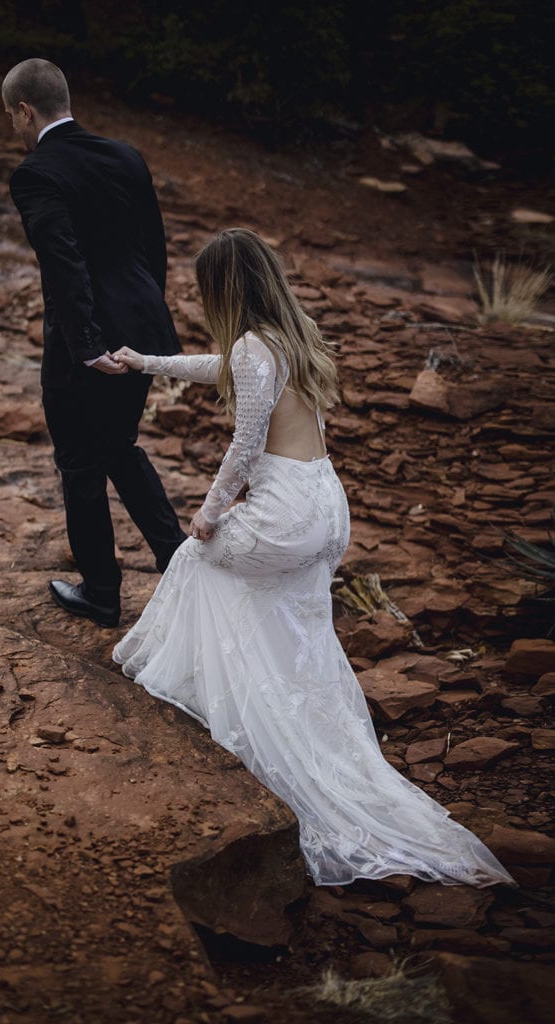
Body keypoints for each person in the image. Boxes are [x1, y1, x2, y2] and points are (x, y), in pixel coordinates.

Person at [111, 228, 514, 888]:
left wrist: (210, 513)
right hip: (325, 505)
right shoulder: (283, 337)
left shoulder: (249, 346)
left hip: (285, 513)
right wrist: (141, 360)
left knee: (194, 561)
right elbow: (213, 368)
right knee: (285, 624)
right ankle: (283, 715)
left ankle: (216, 705)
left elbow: (243, 447)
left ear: (222, 288)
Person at [2, 58, 186, 628]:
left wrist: (85, 345)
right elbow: (153, 249)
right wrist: (144, 325)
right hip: (144, 328)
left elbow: (65, 263)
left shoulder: (36, 172)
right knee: (118, 445)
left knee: (81, 461)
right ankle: (180, 565)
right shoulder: (125, 155)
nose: (13, 127)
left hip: (89, 345)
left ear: (26, 111)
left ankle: (102, 593)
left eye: (11, 116)